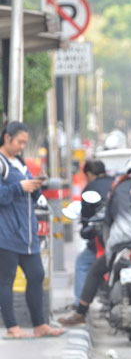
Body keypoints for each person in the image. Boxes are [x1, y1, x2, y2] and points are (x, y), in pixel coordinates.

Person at [59, 151, 131, 326]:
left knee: (95, 270)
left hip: (120, 244)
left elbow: (108, 220)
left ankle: (80, 313)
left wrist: (109, 248)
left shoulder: (116, 189)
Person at [0, 121, 64, 338]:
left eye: (24, 143)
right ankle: (12, 327)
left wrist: (36, 187)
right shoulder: (2, 163)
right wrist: (20, 187)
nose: (22, 147)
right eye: (19, 142)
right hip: (6, 233)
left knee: (36, 275)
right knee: (6, 280)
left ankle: (39, 324)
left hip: (28, 234)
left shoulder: (19, 162)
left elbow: (27, 187)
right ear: (7, 138)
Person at [69, 159, 113, 310]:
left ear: (88, 174)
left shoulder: (90, 189)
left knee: (83, 262)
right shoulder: (116, 184)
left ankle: (79, 306)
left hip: (103, 239)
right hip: (123, 237)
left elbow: (86, 220)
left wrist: (86, 231)